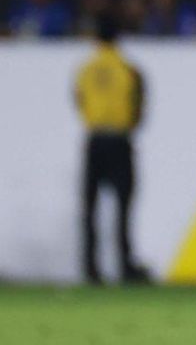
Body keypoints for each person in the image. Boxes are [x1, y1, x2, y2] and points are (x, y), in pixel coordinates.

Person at [75, 17, 149, 284]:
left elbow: (78, 99)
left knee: (90, 207)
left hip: (95, 139)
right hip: (119, 140)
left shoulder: (85, 69)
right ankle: (124, 266)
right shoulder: (129, 69)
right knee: (123, 207)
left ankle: (90, 268)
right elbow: (139, 105)